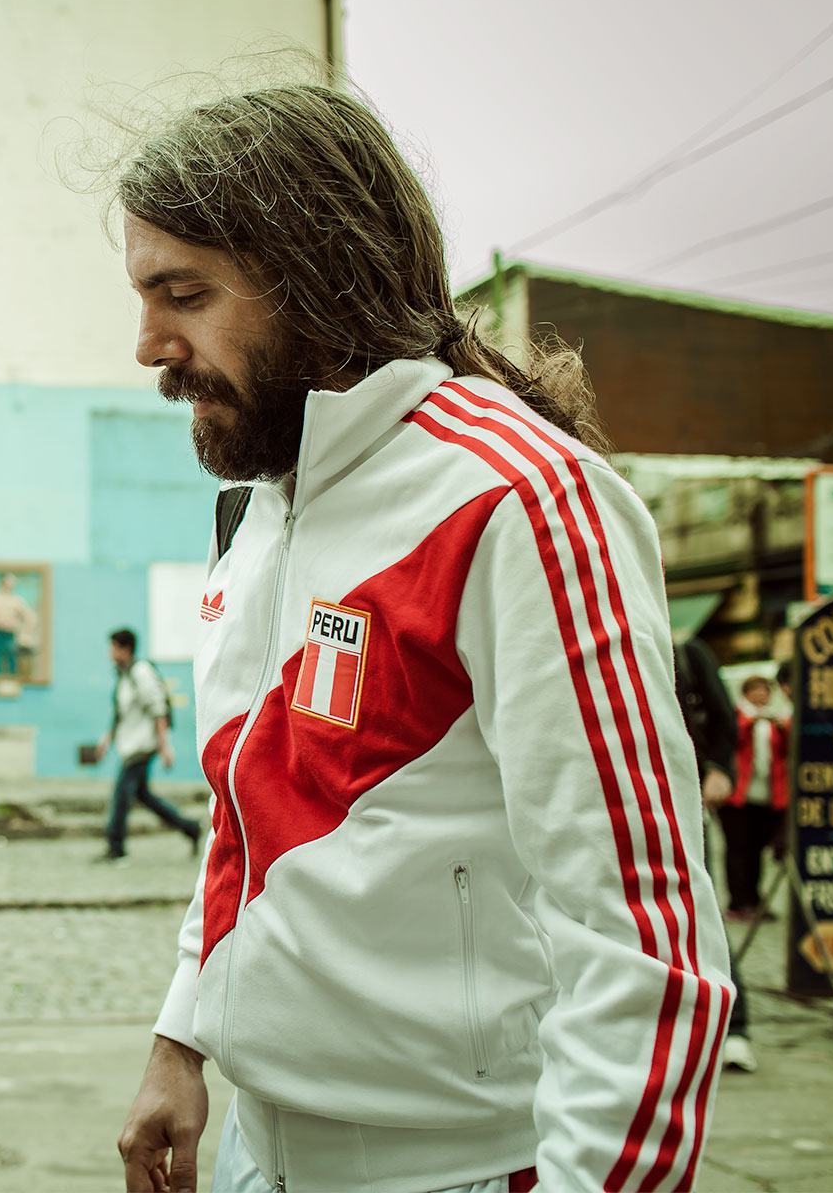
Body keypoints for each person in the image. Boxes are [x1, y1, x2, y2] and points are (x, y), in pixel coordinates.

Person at [112, 82, 732, 1192]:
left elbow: (648, 941)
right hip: (261, 1149)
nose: (150, 342)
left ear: (314, 273)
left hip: (467, 1166)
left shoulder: (521, 498)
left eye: (184, 293)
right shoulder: (266, 500)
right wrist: (183, 1036)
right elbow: (246, 813)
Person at [674, 636, 758, 1073]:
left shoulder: (688, 652)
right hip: (623, 801)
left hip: (685, 800)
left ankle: (735, 1028)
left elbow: (724, 720)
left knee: (700, 909)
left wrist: (720, 770)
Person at [96, 627, 200, 861]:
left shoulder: (141, 672)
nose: (109, 652)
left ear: (125, 649)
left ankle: (116, 847)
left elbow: (158, 708)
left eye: (113, 647)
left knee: (121, 795)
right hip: (131, 745)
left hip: (142, 746)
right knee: (144, 796)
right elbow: (120, 713)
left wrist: (165, 746)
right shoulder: (123, 674)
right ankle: (190, 828)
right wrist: (107, 740)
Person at [724, 674, 788, 924]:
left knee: (757, 850)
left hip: (766, 797)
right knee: (738, 849)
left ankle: (754, 899)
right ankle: (737, 902)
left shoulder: (775, 719)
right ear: (746, 692)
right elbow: (731, 739)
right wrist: (752, 721)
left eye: (764, 690)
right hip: (738, 796)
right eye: (756, 690)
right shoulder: (737, 715)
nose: (761, 695)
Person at [0, 571, 36, 677]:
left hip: (10, 635)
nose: (12, 583)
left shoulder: (16, 600)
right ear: (3, 581)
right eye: (10, 580)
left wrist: (25, 634)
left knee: (12, 661)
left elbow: (29, 617)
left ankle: (12, 679)